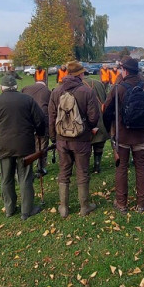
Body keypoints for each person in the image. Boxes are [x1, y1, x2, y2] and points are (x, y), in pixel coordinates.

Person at [0, 74, 47, 220]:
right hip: (24, 144)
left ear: (1, 88)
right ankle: (27, 210)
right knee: (25, 177)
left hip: (3, 145)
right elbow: (40, 120)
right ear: (16, 87)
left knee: (6, 178)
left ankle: (10, 209)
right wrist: (39, 133)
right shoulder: (28, 100)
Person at [103, 57, 144, 213]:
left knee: (121, 169)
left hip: (123, 136)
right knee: (142, 168)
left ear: (124, 70)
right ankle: (142, 203)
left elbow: (106, 112)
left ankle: (121, 203)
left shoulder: (117, 88)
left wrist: (111, 131)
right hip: (141, 135)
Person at [48, 61, 101, 217]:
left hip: (61, 139)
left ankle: (63, 208)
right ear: (80, 74)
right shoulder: (87, 91)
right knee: (82, 171)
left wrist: (53, 137)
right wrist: (88, 129)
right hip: (81, 139)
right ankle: (84, 207)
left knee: (64, 171)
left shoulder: (56, 92)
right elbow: (94, 117)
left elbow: (51, 117)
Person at [21, 70, 52, 176]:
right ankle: (41, 167)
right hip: (42, 122)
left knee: (29, 144)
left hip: (27, 122)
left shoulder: (25, 89)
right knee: (42, 145)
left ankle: (26, 167)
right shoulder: (47, 91)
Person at [82, 74, 110, 173]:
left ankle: (85, 167)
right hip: (100, 119)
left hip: (87, 120)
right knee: (99, 144)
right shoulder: (99, 83)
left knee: (86, 145)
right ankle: (97, 166)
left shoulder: (79, 85)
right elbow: (105, 98)